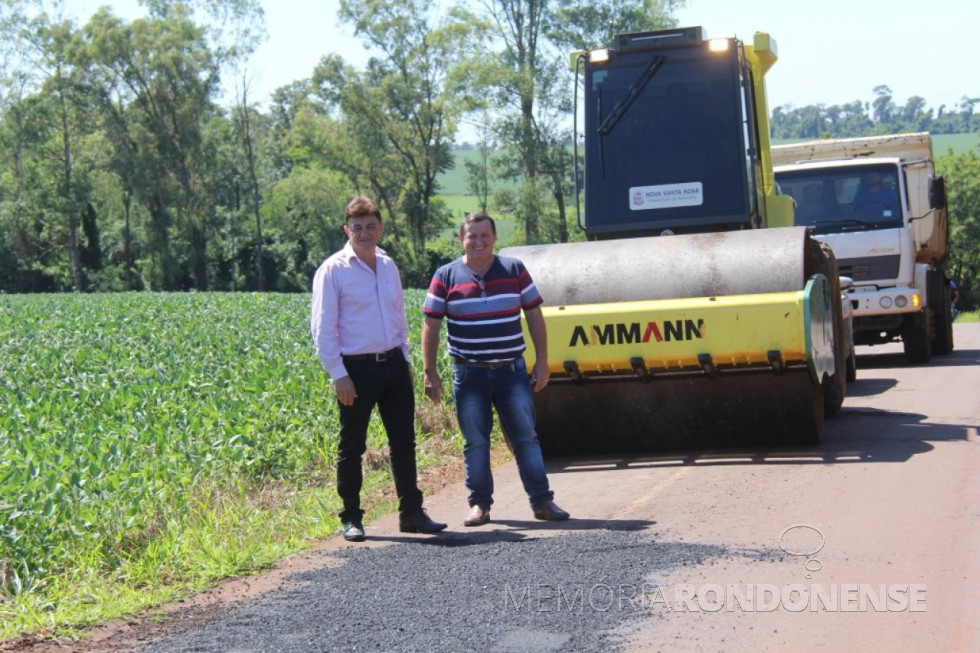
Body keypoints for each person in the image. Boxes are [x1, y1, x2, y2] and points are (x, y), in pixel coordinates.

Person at [311, 196, 447, 542]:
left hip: (394, 365)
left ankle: (411, 513)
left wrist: (405, 358)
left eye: (371, 226)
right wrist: (338, 374)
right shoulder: (333, 270)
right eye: (357, 228)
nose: (364, 233)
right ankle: (351, 518)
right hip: (356, 371)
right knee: (352, 446)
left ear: (380, 228)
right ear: (347, 230)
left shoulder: (388, 265)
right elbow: (323, 327)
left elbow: (398, 316)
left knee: (404, 442)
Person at [421, 211, 569, 526]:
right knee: (476, 440)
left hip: (511, 371)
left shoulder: (514, 270)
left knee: (525, 437)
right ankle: (479, 506)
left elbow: (534, 316)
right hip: (468, 373)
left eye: (484, 235)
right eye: (472, 236)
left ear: (495, 238)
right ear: (462, 239)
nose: (478, 241)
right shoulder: (445, 276)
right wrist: (429, 371)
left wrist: (542, 361)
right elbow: (431, 325)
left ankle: (542, 502)